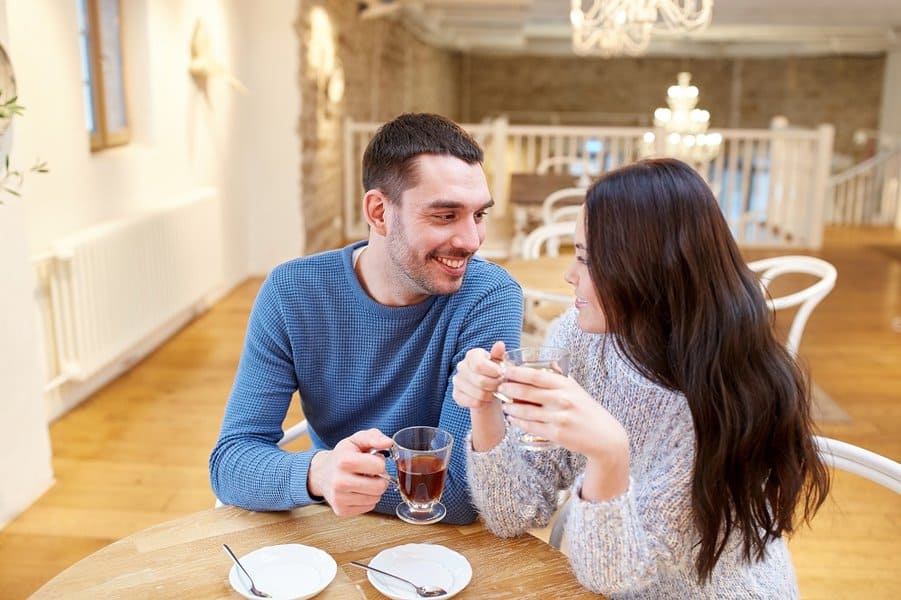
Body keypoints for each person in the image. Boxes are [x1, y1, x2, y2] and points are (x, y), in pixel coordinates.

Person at [452, 158, 830, 597]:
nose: (570, 274)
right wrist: (485, 412)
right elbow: (510, 513)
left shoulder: (717, 398)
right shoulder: (580, 339)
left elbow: (611, 575)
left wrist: (609, 454)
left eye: (585, 259)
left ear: (646, 270)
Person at [210, 113, 523, 524]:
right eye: (445, 216)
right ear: (378, 212)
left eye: (478, 215)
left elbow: (460, 493)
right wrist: (317, 473)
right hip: (333, 522)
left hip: (439, 546)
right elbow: (231, 460)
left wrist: (331, 477)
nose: (470, 241)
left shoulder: (489, 296)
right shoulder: (292, 292)